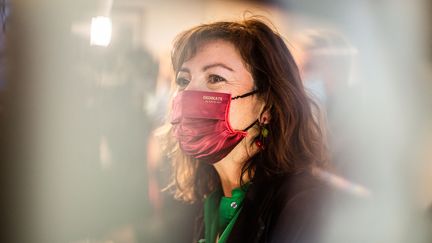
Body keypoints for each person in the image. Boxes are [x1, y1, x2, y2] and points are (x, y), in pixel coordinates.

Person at [162, 17, 329, 243]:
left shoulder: (305, 208)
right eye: (183, 80)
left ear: (266, 107)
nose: (189, 92)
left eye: (215, 78)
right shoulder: (206, 200)